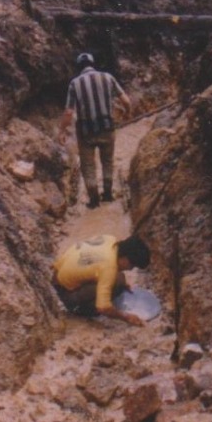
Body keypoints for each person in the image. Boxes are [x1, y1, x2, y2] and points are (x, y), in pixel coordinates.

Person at [62, 52, 130, 209]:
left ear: (79, 67)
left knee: (88, 166)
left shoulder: (75, 83)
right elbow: (125, 100)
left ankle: (94, 201)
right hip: (107, 128)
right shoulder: (108, 77)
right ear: (93, 64)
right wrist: (127, 112)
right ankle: (107, 195)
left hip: (86, 132)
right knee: (107, 162)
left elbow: (68, 112)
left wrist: (61, 131)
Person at [53, 234, 151, 325]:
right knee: (115, 283)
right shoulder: (109, 268)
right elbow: (103, 308)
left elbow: (94, 264)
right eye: (132, 265)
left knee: (119, 279)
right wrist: (126, 317)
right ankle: (80, 309)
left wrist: (123, 284)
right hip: (65, 293)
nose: (130, 269)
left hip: (57, 274)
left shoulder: (110, 239)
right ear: (125, 258)